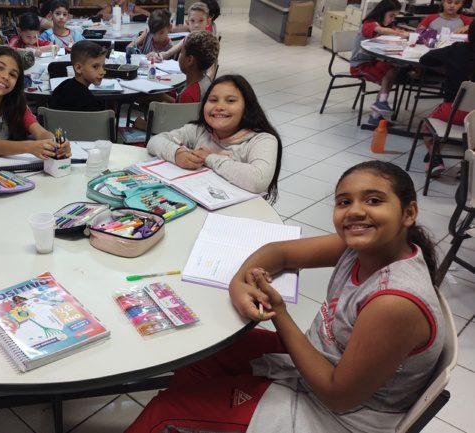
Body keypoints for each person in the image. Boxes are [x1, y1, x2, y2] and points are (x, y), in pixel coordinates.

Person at [127, 161, 444, 433]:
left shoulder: (393, 302)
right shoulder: (360, 247)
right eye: (344, 202)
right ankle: (203, 415)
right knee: (205, 351)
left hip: (338, 417)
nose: (356, 211)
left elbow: (338, 396)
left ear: (408, 213)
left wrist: (279, 312)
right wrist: (240, 283)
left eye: (374, 200)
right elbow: (277, 252)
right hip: (323, 363)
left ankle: (188, 415)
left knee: (164, 411)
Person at [147, 74, 282, 199]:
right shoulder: (199, 130)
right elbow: (155, 141)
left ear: (247, 108)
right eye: (213, 100)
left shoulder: (262, 140)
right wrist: (177, 154)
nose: (219, 106)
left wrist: (209, 158)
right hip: (199, 199)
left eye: (230, 101)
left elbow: (258, 181)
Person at [417, 19, 475, 176]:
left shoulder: (457, 49)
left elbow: (426, 59)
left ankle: (435, 160)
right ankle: (469, 167)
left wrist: (448, 66)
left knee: (426, 128)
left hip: (453, 112)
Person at [349, 0, 408, 126]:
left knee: (393, 68)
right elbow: (379, 30)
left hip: (372, 63)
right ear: (382, 13)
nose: (393, 19)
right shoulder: (369, 23)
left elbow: (391, 31)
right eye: (391, 16)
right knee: (390, 71)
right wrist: (398, 33)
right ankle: (378, 109)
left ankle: (379, 107)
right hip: (359, 66)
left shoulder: (388, 26)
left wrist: (402, 33)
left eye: (395, 17)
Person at [49, 40, 107, 111]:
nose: (103, 72)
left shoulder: (61, 88)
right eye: (95, 66)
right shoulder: (90, 102)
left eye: (103, 66)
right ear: (78, 68)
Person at [174, 30, 219, 103]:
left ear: (189, 60)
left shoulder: (187, 94)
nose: (179, 55)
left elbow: (180, 111)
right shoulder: (206, 80)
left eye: (181, 52)